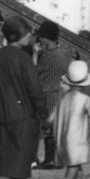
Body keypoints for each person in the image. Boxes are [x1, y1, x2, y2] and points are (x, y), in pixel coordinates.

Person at [0, 16, 48, 179]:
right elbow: (34, 88)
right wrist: (43, 112)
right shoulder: (23, 58)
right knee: (20, 158)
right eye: (27, 33)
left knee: (12, 158)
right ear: (19, 35)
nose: (30, 37)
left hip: (2, 115)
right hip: (23, 115)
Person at [32, 19, 65, 167]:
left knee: (40, 128)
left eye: (41, 37)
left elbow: (34, 72)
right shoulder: (62, 54)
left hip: (43, 94)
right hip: (56, 95)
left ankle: (39, 159)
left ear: (46, 38)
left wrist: (34, 54)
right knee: (52, 129)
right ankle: (51, 159)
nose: (40, 39)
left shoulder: (45, 55)